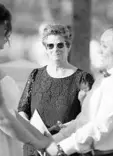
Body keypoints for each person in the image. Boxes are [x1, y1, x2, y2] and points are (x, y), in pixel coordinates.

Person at [0, 0, 56, 155]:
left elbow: (10, 113)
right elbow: (2, 118)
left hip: (2, 140)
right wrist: (39, 144)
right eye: (4, 33)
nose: (7, 40)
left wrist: (42, 138)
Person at [47, 25, 113, 156]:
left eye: (105, 46)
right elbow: (85, 120)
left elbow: (101, 126)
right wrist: (56, 138)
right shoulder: (105, 79)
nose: (100, 50)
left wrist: (62, 148)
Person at [18, 24, 94, 156]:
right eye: (50, 46)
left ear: (68, 46)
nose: (55, 49)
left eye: (60, 45)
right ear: (45, 48)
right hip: (34, 149)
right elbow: (22, 110)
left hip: (65, 149)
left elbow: (89, 118)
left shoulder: (83, 79)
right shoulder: (35, 75)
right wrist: (31, 131)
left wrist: (64, 131)